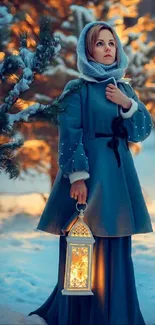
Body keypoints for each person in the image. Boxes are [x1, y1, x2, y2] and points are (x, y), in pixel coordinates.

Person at [28, 21, 153, 325]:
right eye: (100, 43)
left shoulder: (124, 88)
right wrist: (78, 176)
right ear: (88, 49)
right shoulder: (77, 89)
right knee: (84, 240)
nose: (108, 49)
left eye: (111, 43)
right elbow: (70, 134)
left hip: (119, 177)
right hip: (89, 175)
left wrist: (128, 105)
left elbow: (141, 132)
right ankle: (82, 315)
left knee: (116, 239)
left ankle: (117, 313)